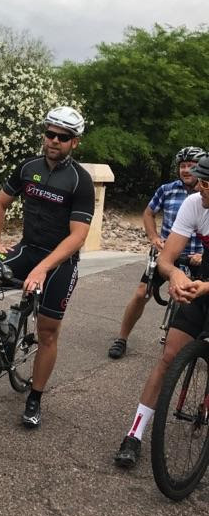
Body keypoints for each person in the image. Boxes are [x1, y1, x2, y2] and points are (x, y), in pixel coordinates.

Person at [0, 106, 95, 428]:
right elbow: (1, 203)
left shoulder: (80, 181)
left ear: (74, 142)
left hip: (60, 260)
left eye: (63, 137)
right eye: (50, 134)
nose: (54, 141)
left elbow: (78, 236)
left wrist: (42, 269)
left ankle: (35, 397)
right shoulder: (28, 167)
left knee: (47, 332)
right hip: (27, 249)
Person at [114, 154, 209, 468]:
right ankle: (134, 434)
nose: (200, 188)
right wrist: (176, 275)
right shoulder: (194, 203)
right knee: (169, 356)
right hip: (203, 276)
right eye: (201, 182)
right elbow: (167, 259)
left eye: (208, 184)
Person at [107, 146, 206, 360]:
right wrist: (153, 237)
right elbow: (148, 213)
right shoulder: (167, 190)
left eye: (191, 166)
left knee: (197, 301)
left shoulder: (204, 193)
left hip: (198, 258)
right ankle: (122, 338)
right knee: (141, 293)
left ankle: (193, 348)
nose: (186, 170)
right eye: (182, 166)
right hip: (168, 255)